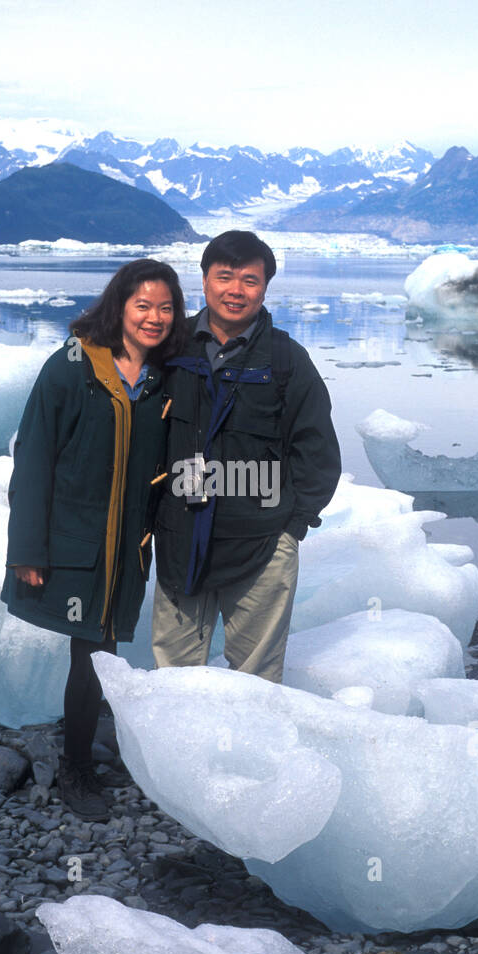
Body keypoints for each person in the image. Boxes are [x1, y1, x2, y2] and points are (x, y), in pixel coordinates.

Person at [1, 258, 185, 819]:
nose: (154, 317)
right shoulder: (71, 367)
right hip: (76, 540)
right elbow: (33, 458)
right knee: (92, 650)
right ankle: (76, 766)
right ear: (119, 306)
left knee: (102, 646)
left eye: (165, 307)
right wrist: (27, 549)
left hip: (129, 545)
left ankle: (86, 746)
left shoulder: (165, 378)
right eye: (142, 305)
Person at [152, 229, 341, 681]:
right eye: (225, 277)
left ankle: (246, 753)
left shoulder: (285, 361)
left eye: (250, 280)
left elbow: (317, 452)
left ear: (265, 288)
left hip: (261, 542)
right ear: (203, 280)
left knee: (256, 679)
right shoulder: (168, 349)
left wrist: (291, 527)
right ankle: (180, 753)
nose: (236, 290)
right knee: (174, 675)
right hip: (182, 537)